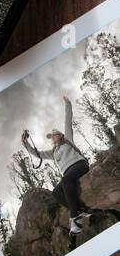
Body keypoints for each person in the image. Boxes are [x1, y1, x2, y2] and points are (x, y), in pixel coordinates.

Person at [21, 95, 94, 235]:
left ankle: (75, 218)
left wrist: (67, 104)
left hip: (79, 165)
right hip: (68, 173)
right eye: (51, 136)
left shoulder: (68, 139)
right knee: (56, 192)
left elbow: (68, 120)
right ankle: (81, 211)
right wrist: (25, 143)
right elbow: (38, 154)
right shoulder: (53, 152)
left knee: (66, 180)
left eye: (55, 135)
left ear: (60, 135)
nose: (53, 137)